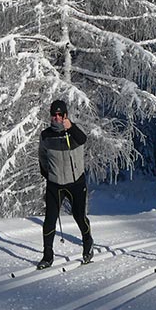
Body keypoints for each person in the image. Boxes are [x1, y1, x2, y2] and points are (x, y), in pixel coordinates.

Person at [36, 99, 92, 269]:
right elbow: (42, 158)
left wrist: (71, 127)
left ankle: (88, 243)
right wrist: (49, 175)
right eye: (54, 115)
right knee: (49, 220)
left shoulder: (74, 133)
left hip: (76, 183)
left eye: (60, 115)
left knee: (79, 216)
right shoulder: (46, 135)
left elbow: (83, 139)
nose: (57, 118)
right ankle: (47, 256)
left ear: (66, 115)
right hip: (55, 184)